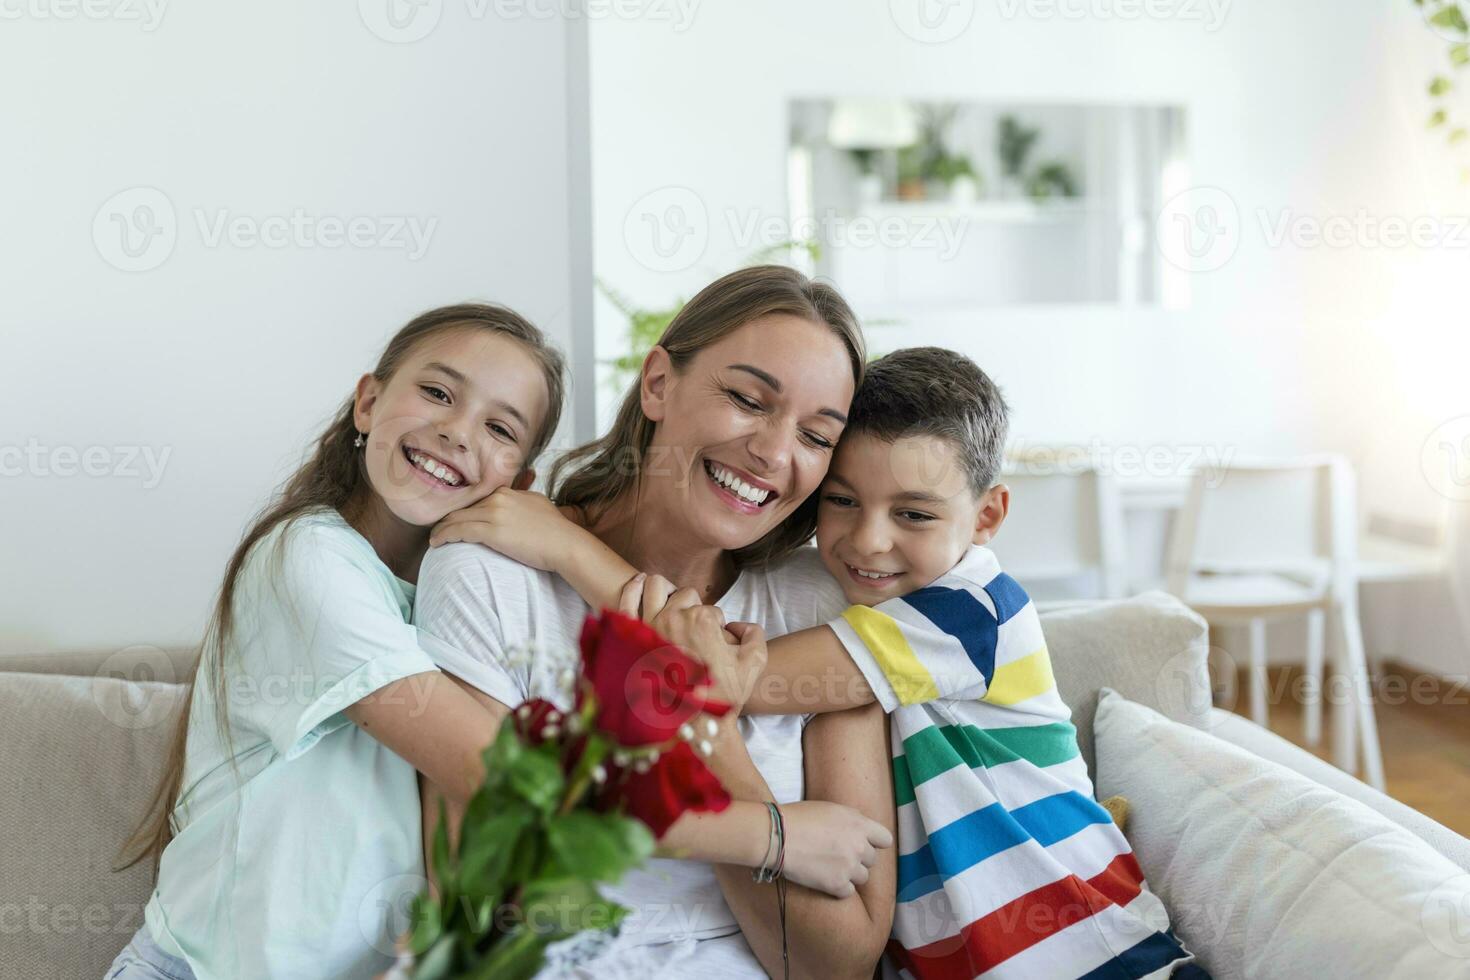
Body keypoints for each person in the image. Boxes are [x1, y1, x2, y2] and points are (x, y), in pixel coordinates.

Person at [415, 265, 897, 979]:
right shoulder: (492, 573)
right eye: (746, 399)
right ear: (658, 384)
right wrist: (769, 837)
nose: (773, 452)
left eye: (816, 437)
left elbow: (837, 965)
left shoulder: (817, 608)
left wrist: (710, 726)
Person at [106, 304, 566, 979]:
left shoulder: (461, 605)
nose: (456, 432)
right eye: (437, 392)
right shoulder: (305, 557)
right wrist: (576, 554)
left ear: (519, 486)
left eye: (499, 428)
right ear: (368, 403)